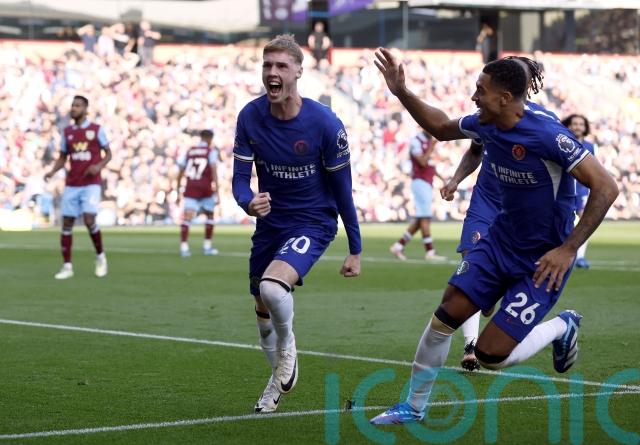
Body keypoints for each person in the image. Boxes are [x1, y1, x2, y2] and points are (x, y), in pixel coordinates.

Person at [371, 49, 618, 424]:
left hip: (543, 260)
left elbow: (606, 187)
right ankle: (413, 406)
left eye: (480, 90)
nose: (474, 97)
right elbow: (441, 127)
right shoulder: (485, 123)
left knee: (490, 355)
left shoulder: (549, 134)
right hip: (500, 243)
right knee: (446, 315)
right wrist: (402, 92)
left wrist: (568, 249)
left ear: (504, 98)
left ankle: (561, 326)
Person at [232, 34, 361, 414]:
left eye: (281, 66)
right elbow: (239, 179)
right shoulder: (249, 116)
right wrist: (247, 202)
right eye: (267, 65)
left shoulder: (325, 123)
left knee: (272, 289)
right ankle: (275, 383)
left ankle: (288, 346)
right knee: (261, 313)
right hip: (270, 226)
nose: (272, 72)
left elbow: (343, 189)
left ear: (299, 72)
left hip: (312, 221)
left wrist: (355, 248)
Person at [441, 56, 549, 372]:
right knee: (469, 267)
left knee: (490, 292)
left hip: (517, 214)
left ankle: (497, 313)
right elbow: (474, 149)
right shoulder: (486, 118)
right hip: (486, 202)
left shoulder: (542, 124)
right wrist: (455, 179)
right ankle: (470, 346)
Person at [44, 95, 112, 279]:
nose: (74, 108)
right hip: (72, 183)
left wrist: (98, 166)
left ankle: (100, 257)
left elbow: (108, 154)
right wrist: (52, 171)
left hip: (91, 183)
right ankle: (67, 266)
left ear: (85, 109)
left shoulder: (96, 130)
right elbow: (62, 157)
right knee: (67, 223)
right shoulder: (67, 132)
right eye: (73, 105)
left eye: (78, 106)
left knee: (89, 220)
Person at [389, 129, 446, 262]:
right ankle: (430, 251)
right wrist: (432, 146)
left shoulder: (426, 141)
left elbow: (430, 165)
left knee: (420, 219)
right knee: (425, 218)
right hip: (420, 182)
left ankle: (398, 246)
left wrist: (442, 179)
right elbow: (422, 162)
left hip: (426, 182)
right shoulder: (416, 141)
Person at [175, 129, 219, 257]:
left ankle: (184, 248)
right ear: (210, 139)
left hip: (191, 187)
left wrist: (178, 190)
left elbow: (180, 171)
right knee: (210, 215)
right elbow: (214, 171)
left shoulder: (189, 151)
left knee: (187, 217)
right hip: (205, 187)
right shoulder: (211, 152)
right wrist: (217, 191)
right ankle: (207, 247)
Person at [562, 114, 597, 269]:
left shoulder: (590, 147)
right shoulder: (562, 142)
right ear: (568, 125)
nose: (577, 127)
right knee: (562, 221)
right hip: (564, 189)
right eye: (574, 123)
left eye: (581, 124)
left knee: (584, 222)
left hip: (582, 190)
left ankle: (580, 257)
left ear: (585, 127)